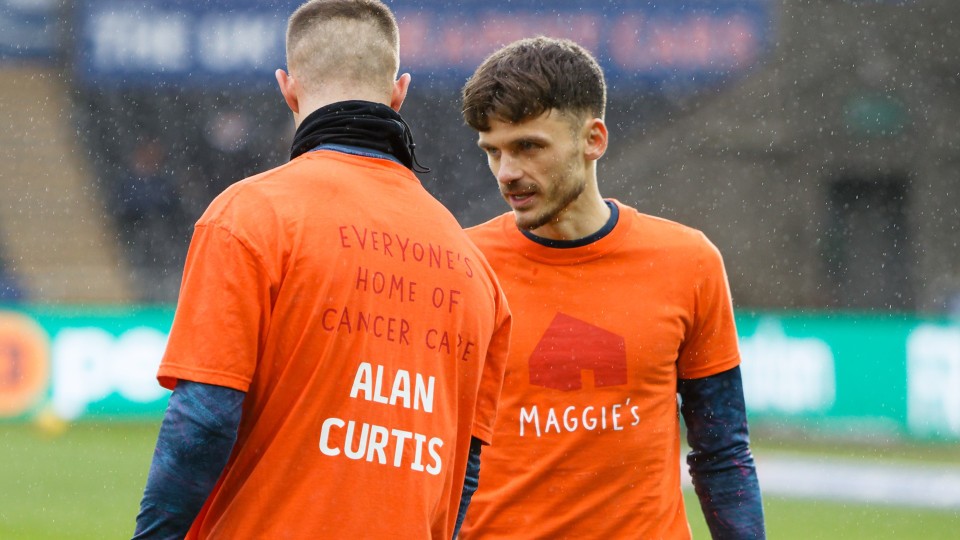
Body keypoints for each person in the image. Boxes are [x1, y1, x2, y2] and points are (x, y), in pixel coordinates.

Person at [132, 1, 511, 538]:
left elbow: (204, 418)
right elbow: (465, 469)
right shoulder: (476, 268)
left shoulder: (250, 216)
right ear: (399, 91)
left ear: (287, 88)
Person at [458, 37, 765, 539]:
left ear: (593, 139)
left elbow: (722, 451)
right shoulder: (462, 265)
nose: (507, 172)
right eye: (493, 152)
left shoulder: (689, 263)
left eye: (528, 146)